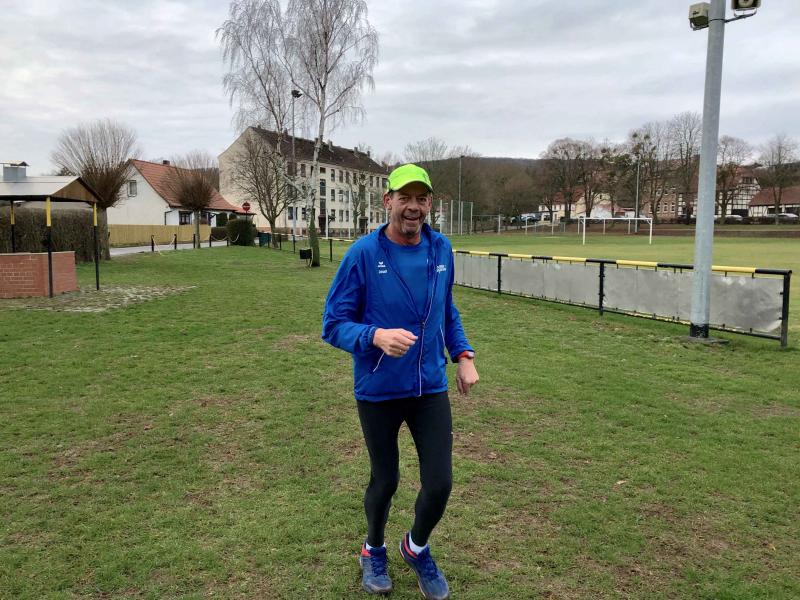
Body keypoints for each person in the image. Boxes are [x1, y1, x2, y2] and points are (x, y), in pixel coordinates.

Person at [322, 164, 479, 599]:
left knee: (440, 483)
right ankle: (373, 549)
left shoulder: (441, 248)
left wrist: (463, 355)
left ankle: (416, 547)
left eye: (421, 199)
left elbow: (446, 309)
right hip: (379, 390)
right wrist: (374, 336)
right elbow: (332, 324)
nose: (413, 207)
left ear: (430, 204)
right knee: (386, 479)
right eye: (404, 198)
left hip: (429, 386)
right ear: (387, 201)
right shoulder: (362, 254)